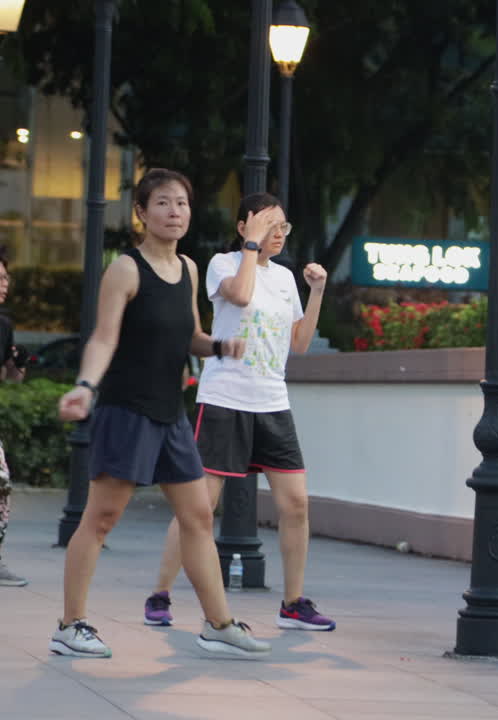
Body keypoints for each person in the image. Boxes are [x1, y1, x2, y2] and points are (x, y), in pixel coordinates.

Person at [51, 168, 270, 659]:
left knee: (196, 515)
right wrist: (85, 387)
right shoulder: (126, 269)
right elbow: (105, 336)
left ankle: (218, 625)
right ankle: (70, 624)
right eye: (164, 204)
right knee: (101, 518)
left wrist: (218, 345)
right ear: (142, 213)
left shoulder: (188, 269)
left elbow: (189, 334)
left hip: (170, 415)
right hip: (126, 410)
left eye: (182, 204)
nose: (175, 213)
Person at [143, 192, 333, 632]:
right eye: (269, 224)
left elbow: (299, 344)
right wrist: (251, 246)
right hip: (226, 398)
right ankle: (160, 593)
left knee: (297, 505)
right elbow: (242, 297)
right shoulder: (223, 265)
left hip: (272, 402)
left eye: (284, 225)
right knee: (199, 508)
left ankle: (292, 603)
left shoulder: (286, 279)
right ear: (244, 226)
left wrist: (317, 290)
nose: (279, 234)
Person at [0, 248, 28, 587]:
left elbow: (11, 376)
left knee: (2, 485)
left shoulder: (4, 324)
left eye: (6, 277)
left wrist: (19, 363)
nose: (4, 283)